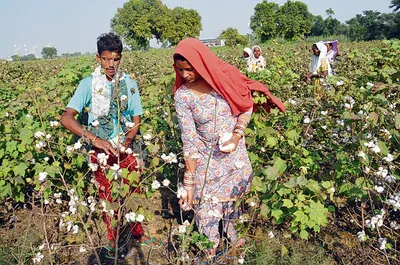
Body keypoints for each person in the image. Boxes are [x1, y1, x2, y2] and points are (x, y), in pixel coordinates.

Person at [172, 38, 285, 262]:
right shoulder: (183, 96)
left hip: (234, 157)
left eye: (190, 69)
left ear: (201, 63)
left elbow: (246, 105)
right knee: (206, 211)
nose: (185, 75)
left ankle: (236, 247)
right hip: (206, 163)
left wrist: (236, 135)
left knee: (234, 207)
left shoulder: (223, 80)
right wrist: (190, 182)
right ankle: (211, 250)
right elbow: (190, 139)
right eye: (180, 70)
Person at [61, 32, 160, 259]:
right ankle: (112, 238)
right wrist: (95, 139)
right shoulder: (88, 85)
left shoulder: (129, 84)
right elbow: (67, 118)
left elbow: (136, 120)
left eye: (115, 59)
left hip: (126, 148)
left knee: (134, 190)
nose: (111, 64)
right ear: (98, 58)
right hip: (101, 151)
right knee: (107, 195)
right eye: (106, 59)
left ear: (121, 58)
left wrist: (127, 141)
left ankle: (138, 233)